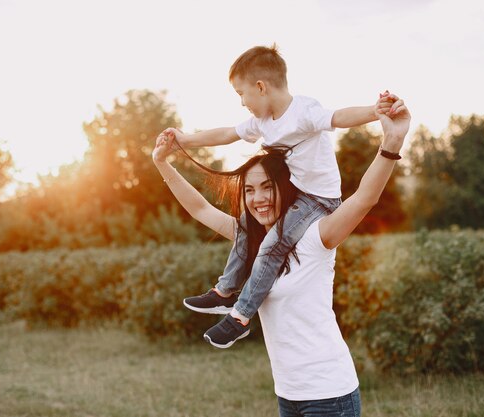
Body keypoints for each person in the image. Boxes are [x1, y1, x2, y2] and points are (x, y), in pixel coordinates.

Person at [152, 94, 410, 417]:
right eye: (249, 190)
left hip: (330, 395)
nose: (257, 198)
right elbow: (199, 208)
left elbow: (363, 200)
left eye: (266, 187)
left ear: (287, 188)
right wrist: (162, 162)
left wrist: (392, 141)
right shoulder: (254, 239)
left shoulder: (316, 236)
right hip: (288, 396)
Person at [163, 44, 398, 348]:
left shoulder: (303, 111)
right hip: (298, 196)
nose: (242, 103)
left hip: (320, 201)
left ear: (260, 87)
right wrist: (184, 141)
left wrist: (374, 111)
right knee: (248, 226)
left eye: (241, 94)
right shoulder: (262, 122)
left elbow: (338, 117)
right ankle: (224, 291)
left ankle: (240, 318)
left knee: (272, 245)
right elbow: (225, 134)